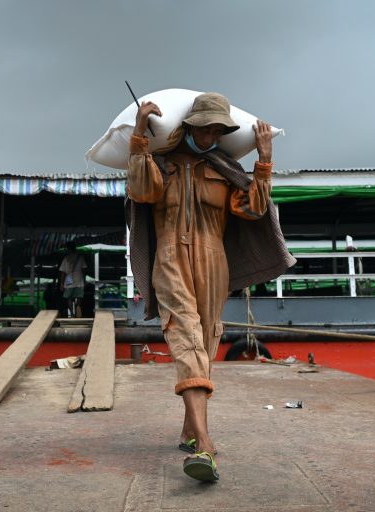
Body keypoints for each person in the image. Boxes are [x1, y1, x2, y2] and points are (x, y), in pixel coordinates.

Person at [126, 92, 295, 482]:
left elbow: (253, 208)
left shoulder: (225, 167)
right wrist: (138, 133)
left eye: (219, 129)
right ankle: (204, 442)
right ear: (190, 126)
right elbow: (140, 191)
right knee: (184, 335)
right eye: (206, 127)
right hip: (168, 258)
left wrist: (264, 161)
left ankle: (188, 429)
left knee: (207, 339)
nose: (211, 135)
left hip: (213, 260)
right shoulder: (161, 166)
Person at [59, 242, 87, 317]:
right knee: (79, 297)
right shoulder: (80, 257)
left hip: (69, 281)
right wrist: (84, 280)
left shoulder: (66, 258)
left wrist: (61, 283)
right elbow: (84, 270)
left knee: (69, 298)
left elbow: (63, 272)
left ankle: (71, 313)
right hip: (79, 281)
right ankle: (78, 307)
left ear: (68, 249)